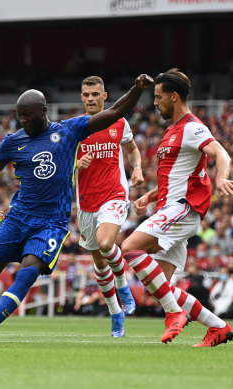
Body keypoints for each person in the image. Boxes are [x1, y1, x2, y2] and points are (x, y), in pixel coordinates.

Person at [0, 74, 154, 342]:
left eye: (27, 115)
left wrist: (137, 89)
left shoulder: (69, 131)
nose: (22, 120)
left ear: (43, 111)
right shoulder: (13, 142)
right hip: (18, 217)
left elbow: (115, 112)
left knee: (29, 269)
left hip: (51, 224)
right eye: (19, 115)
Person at [121, 69, 233, 346]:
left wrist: (220, 177)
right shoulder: (172, 130)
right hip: (170, 209)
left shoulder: (192, 127)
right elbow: (177, 176)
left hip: (182, 209)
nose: (155, 102)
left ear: (174, 97)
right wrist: (149, 197)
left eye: (159, 97)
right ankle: (219, 327)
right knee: (161, 288)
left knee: (129, 248)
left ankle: (174, 313)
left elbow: (222, 153)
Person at [75, 76, 144, 337]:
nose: (90, 98)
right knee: (98, 260)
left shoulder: (119, 121)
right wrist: (74, 164)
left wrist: (136, 168)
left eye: (95, 94)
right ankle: (115, 312)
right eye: (86, 94)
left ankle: (123, 285)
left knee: (106, 244)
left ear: (104, 96)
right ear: (81, 98)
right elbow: (61, 163)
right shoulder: (75, 128)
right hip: (86, 202)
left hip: (114, 194)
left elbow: (132, 150)